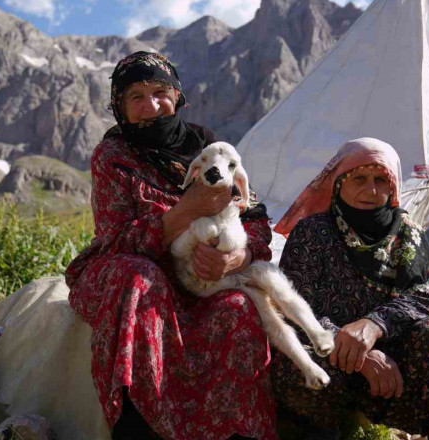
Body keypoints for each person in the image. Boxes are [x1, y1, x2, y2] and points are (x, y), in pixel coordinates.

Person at [65, 51, 277, 440]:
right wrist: (185, 211)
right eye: (136, 97)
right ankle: (140, 428)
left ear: (177, 95)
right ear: (120, 106)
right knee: (140, 278)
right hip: (126, 273)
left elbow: (256, 219)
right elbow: (115, 239)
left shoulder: (209, 148)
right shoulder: (113, 156)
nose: (151, 106)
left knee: (239, 306)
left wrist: (236, 258)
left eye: (160, 92)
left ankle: (233, 433)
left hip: (198, 281)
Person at [271, 138, 429, 440]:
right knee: (296, 366)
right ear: (339, 183)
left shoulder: (407, 233)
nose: (371, 190)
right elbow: (295, 308)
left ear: (393, 186)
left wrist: (373, 326)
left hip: (390, 354)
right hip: (326, 348)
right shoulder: (313, 232)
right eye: (359, 179)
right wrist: (356, 352)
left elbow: (416, 299)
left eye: (381, 180)